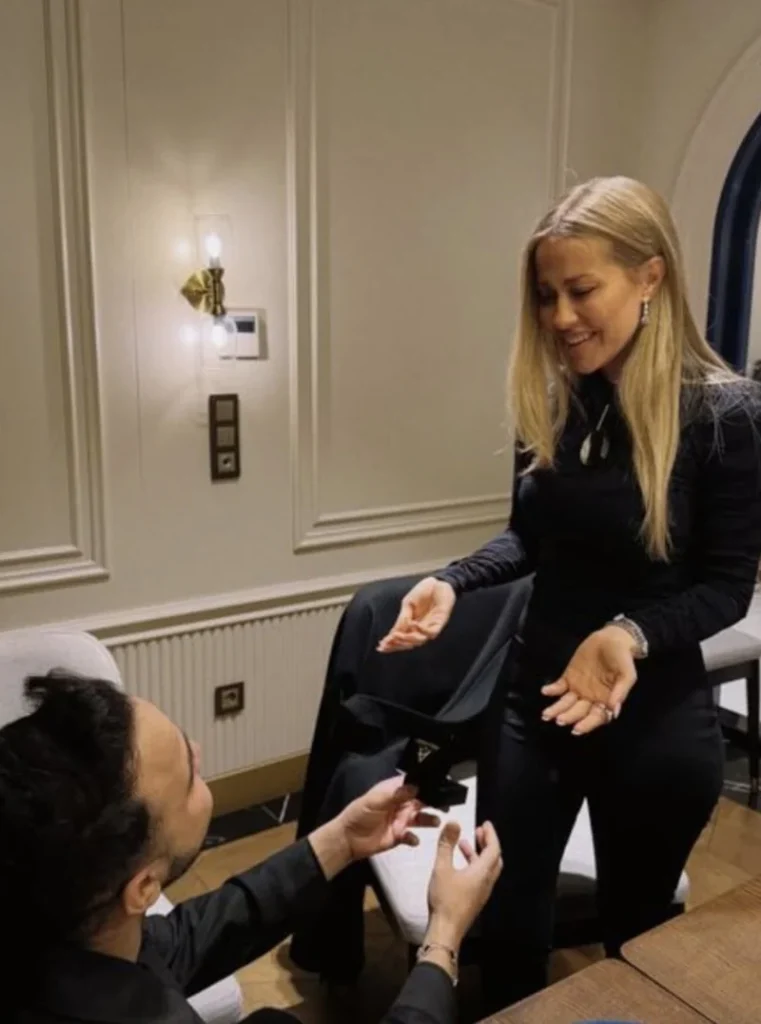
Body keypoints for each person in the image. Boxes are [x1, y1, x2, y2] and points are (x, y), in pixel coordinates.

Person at [378, 176, 761, 1013]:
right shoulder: (553, 402)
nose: (559, 316)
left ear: (650, 277)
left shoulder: (725, 416)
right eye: (545, 295)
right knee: (507, 913)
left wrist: (626, 633)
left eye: (581, 290)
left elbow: (728, 587)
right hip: (533, 700)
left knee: (637, 940)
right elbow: (529, 538)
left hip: (653, 717)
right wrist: (451, 581)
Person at [0, 672, 503, 1024]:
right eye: (188, 774)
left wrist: (341, 842)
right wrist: (444, 937)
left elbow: (174, 944)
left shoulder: (54, 920)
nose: (198, 751)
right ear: (144, 887)